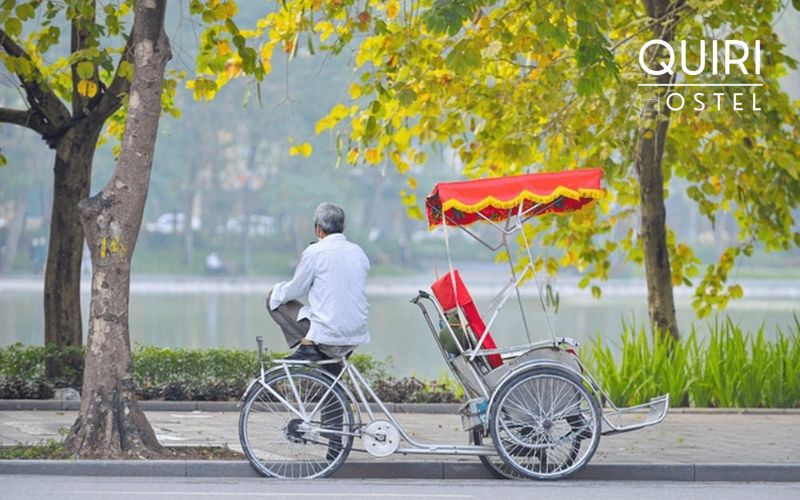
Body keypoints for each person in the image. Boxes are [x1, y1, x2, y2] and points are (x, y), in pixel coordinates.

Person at [267, 202, 370, 363]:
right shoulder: (358, 252)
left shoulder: (315, 252)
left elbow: (296, 290)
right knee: (329, 381)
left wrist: (277, 290)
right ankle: (331, 383)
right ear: (343, 227)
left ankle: (307, 346)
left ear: (318, 228)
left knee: (273, 299)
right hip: (355, 333)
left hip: (329, 335)